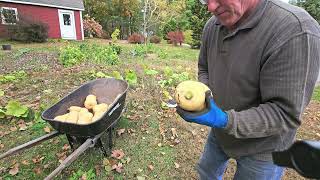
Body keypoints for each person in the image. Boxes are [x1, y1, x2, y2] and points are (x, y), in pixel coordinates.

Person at [176, 0, 320, 179]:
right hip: (221, 133)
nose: (211, 7)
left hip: (264, 147)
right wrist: (204, 96)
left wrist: (224, 119)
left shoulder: (295, 30)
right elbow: (204, 68)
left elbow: (285, 113)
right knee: (206, 173)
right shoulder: (213, 25)